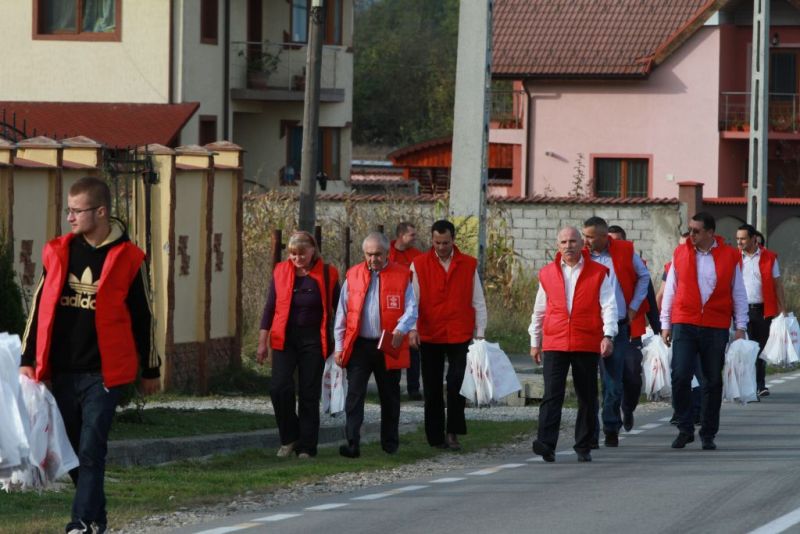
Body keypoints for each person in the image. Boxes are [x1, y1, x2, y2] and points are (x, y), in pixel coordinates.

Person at [19, 176, 160, 534]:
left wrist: (150, 368)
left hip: (104, 374)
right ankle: (97, 517)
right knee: (71, 452)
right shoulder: (58, 251)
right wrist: (27, 358)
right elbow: (39, 308)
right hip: (63, 371)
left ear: (100, 212)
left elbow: (144, 316)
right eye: (68, 210)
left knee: (91, 447)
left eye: (76, 211)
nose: (69, 217)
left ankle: (80, 522)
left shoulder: (130, 258)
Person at [661, 212, 748, 450]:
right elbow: (670, 289)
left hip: (715, 325)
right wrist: (665, 323)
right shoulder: (680, 253)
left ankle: (708, 433)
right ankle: (685, 427)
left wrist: (740, 327)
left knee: (711, 381)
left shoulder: (729, 255)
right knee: (680, 376)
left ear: (710, 232)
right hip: (684, 322)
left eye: (696, 231)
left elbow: (738, 292)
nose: (691, 235)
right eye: (690, 230)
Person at [529, 226, 617, 463]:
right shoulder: (547, 273)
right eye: (564, 242)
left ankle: (584, 445)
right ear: (557, 246)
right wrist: (535, 341)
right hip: (555, 341)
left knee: (587, 396)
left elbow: (609, 306)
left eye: (573, 241)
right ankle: (546, 444)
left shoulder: (598, 272)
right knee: (551, 394)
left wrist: (608, 335)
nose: (568, 246)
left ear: (582, 244)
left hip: (586, 340)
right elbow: (539, 310)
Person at [333, 232, 418, 458]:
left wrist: (401, 328)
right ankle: (352, 443)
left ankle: (390, 444)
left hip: (388, 344)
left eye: (378, 254)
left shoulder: (402, 275)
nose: (373, 259)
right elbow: (342, 313)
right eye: (369, 254)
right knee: (354, 395)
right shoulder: (353, 275)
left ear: (387, 253)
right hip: (360, 345)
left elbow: (412, 309)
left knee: (390, 396)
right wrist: (339, 346)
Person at [257, 231, 340, 458]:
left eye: (302, 254)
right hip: (284, 338)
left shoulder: (328, 273)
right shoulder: (280, 271)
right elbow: (269, 308)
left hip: (314, 339)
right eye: (293, 254)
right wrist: (262, 342)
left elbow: (340, 309)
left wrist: (341, 342)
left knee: (308, 393)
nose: (297, 258)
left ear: (313, 251)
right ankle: (289, 437)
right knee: (278, 388)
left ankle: (307, 447)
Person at [409, 220, 487, 451]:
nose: (441, 247)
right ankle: (435, 437)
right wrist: (412, 329)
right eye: (437, 243)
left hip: (459, 333)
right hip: (430, 334)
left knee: (457, 383)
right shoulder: (419, 264)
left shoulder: (468, 264)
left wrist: (480, 333)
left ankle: (453, 432)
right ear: (432, 240)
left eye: (445, 243)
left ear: (453, 240)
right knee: (432, 387)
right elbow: (412, 301)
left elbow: (478, 301)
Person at [583, 217, 649, 445]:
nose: (586, 241)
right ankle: (590, 433)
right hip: (588, 326)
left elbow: (644, 276)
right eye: (584, 236)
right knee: (587, 383)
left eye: (590, 237)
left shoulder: (624, 251)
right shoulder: (580, 255)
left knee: (613, 382)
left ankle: (611, 426)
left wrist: (634, 306)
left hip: (618, 326)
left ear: (604, 237)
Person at [607, 224, 661, 432]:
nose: (614, 245)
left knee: (632, 376)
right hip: (605, 332)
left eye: (618, 241)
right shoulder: (600, 264)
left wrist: (658, 330)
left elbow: (650, 302)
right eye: (610, 241)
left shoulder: (637, 268)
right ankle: (611, 424)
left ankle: (628, 408)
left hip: (632, 330)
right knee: (611, 380)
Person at [735, 223, 786, 397]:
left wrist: (782, 309)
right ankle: (746, 385)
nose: (739, 242)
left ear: (753, 239)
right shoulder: (734, 257)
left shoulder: (769, 258)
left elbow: (777, 285)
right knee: (745, 348)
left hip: (763, 310)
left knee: (760, 349)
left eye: (743, 239)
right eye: (737, 239)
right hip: (741, 310)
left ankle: (760, 385)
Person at [389, 222, 423, 401]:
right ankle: (390, 386)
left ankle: (413, 388)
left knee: (413, 347)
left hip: (410, 304)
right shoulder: (387, 253)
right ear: (401, 235)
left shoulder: (417, 255)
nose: (415, 238)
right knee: (391, 346)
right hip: (390, 305)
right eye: (412, 235)